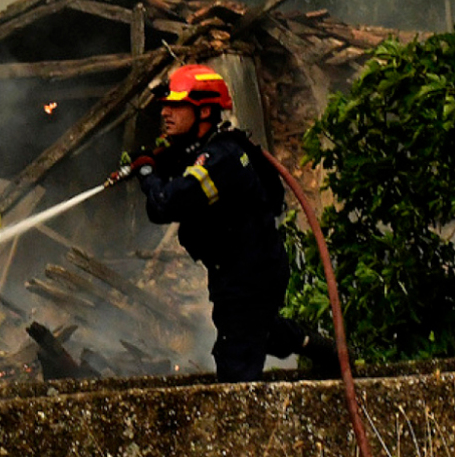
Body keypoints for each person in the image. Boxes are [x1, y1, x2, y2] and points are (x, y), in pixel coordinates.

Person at [121, 63, 337, 383]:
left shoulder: (220, 159)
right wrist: (157, 161)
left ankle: (246, 425)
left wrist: (148, 174)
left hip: (250, 276)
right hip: (238, 272)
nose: (166, 112)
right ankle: (317, 347)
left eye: (176, 106)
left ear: (205, 112)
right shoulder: (206, 151)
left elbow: (164, 205)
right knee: (258, 331)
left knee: (235, 364)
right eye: (166, 105)